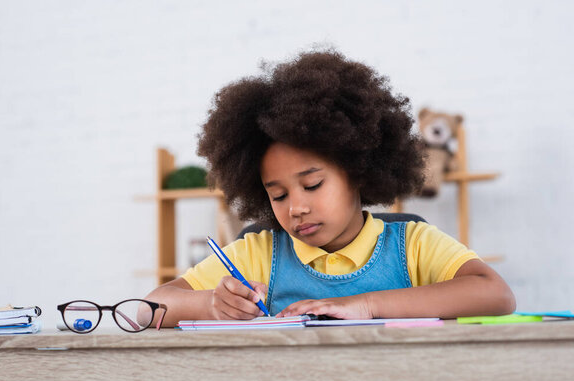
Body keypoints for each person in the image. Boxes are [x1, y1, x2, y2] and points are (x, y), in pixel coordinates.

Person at [144, 49, 515, 326]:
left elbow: (496, 293)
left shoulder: (413, 245)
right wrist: (210, 304)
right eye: (278, 195)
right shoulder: (259, 253)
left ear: (357, 170)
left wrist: (366, 306)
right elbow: (152, 308)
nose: (296, 208)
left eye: (313, 184)